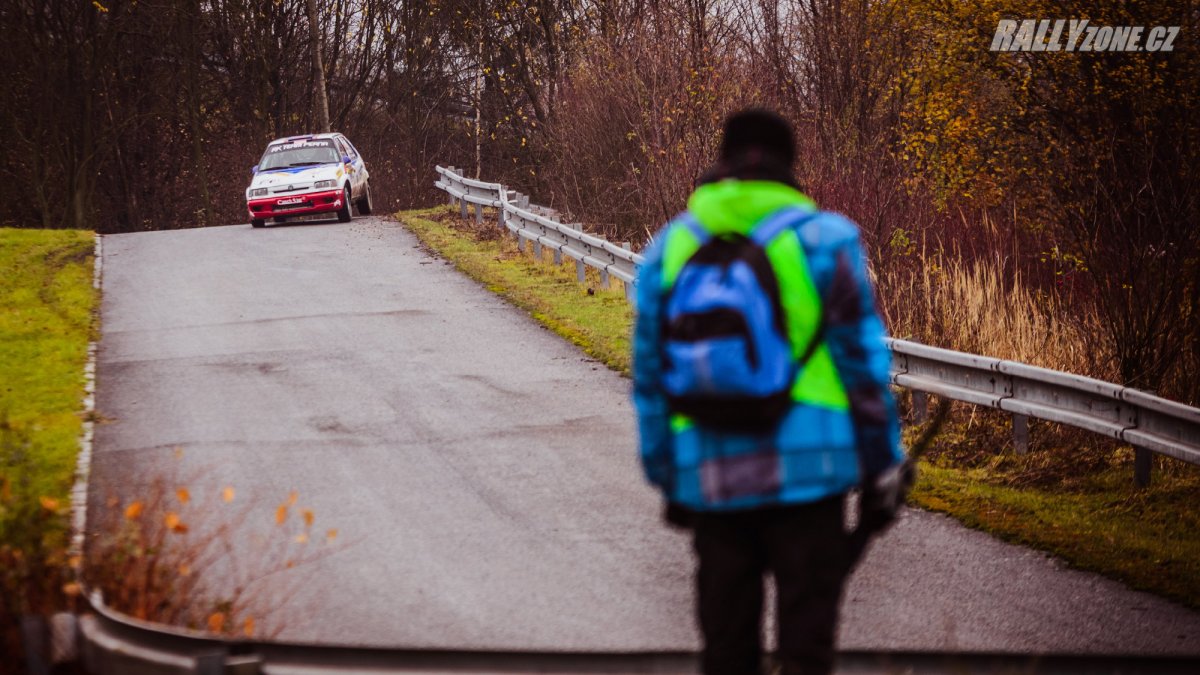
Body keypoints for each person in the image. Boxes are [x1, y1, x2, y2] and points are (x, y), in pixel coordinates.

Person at [632, 109, 904, 675]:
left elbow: (651, 377)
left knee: (728, 653)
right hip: (813, 475)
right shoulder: (826, 242)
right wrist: (881, 467)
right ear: (790, 166)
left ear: (723, 163)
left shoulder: (670, 247)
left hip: (711, 476)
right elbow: (861, 365)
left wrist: (666, 471)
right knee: (806, 651)